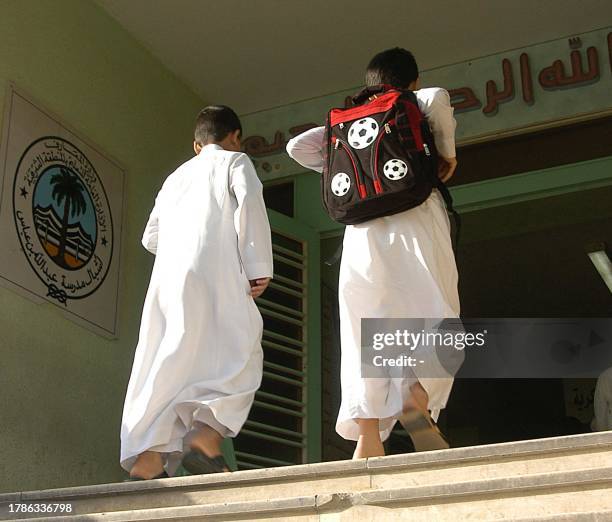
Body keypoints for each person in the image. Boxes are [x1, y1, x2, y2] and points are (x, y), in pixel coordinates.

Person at [286, 48, 460, 459]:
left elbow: (296, 147)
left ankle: (368, 433)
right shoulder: (418, 100)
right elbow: (437, 99)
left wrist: (357, 168)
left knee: (363, 326)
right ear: (411, 81)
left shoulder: (344, 121)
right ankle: (417, 397)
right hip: (417, 219)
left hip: (361, 234)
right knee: (434, 308)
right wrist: (447, 154)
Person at [120, 105, 273, 479]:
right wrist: (258, 269)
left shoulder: (174, 178)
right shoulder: (236, 162)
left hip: (168, 281)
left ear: (196, 145)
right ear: (234, 137)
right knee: (239, 350)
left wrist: (180, 248)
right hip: (215, 270)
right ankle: (204, 437)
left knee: (166, 362)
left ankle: (148, 459)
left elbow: (150, 237)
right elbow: (249, 207)